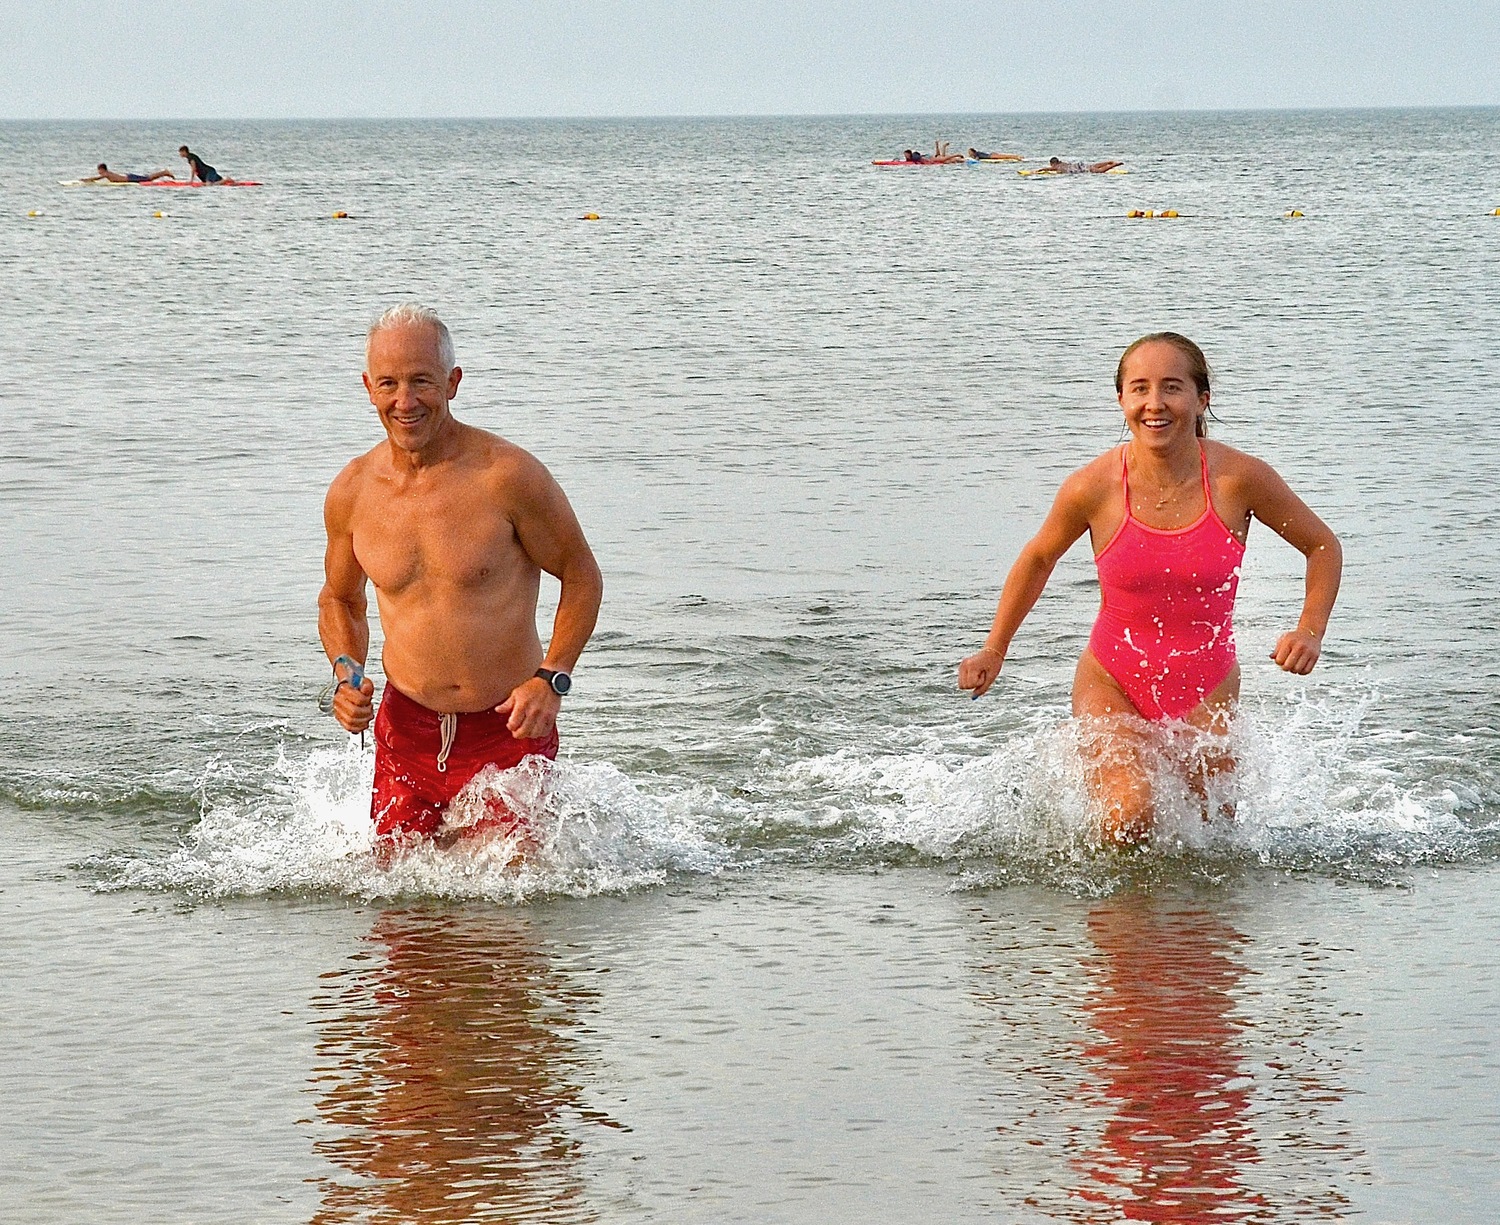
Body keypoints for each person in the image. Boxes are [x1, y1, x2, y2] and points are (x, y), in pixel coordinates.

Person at [957, 333, 1341, 843]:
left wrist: (1310, 630)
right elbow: (1039, 557)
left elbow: (1321, 546)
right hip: (1112, 680)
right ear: (1121, 399)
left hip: (1207, 686)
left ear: (1202, 398)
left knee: (1213, 842)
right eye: (1139, 389)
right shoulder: (1092, 486)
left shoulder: (1238, 480)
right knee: (1130, 815)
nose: (1154, 404)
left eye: (1172, 388)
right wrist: (994, 648)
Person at [319, 304, 604, 844]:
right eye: (389, 384)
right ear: (368, 388)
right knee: (400, 913)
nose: (405, 402)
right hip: (405, 732)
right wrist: (344, 672)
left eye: (422, 382)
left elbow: (581, 575)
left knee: (511, 913)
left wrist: (553, 679)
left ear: (452, 383)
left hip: (509, 730)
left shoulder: (506, 477)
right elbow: (339, 600)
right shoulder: (352, 491)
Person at [81, 162, 176, 183]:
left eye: (99, 170)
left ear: (102, 169)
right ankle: (164, 172)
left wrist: (86, 180)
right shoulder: (107, 173)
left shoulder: (106, 174)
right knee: (147, 177)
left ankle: (164, 172)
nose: (98, 172)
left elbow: (96, 178)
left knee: (148, 178)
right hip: (129, 177)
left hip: (129, 178)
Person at [1045, 156, 1124, 174]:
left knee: (1098, 171)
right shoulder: (1062, 163)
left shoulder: (1057, 167)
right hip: (1077, 165)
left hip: (1077, 169)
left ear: (1053, 163)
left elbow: (1048, 169)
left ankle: (1114, 165)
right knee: (1093, 166)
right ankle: (1108, 162)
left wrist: (1038, 171)